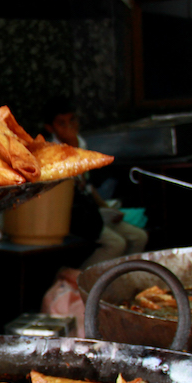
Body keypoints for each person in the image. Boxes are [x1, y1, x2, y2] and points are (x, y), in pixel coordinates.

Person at [41, 97, 147, 269]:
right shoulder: (49, 151)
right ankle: (80, 281)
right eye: (62, 123)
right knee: (116, 244)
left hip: (90, 211)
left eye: (72, 120)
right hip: (70, 217)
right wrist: (73, 146)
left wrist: (106, 207)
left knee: (139, 237)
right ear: (50, 128)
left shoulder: (80, 142)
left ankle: (123, 280)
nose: (69, 127)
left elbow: (87, 185)